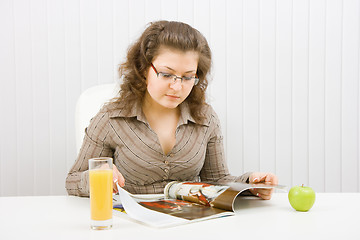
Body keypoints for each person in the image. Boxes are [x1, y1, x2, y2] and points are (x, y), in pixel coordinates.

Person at [66, 20, 278, 200]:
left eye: (187, 77)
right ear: (143, 68)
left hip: (188, 225)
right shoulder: (111, 118)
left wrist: (250, 183)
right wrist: (97, 176)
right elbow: (73, 180)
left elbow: (217, 181)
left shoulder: (206, 118)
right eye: (166, 74)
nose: (177, 87)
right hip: (130, 226)